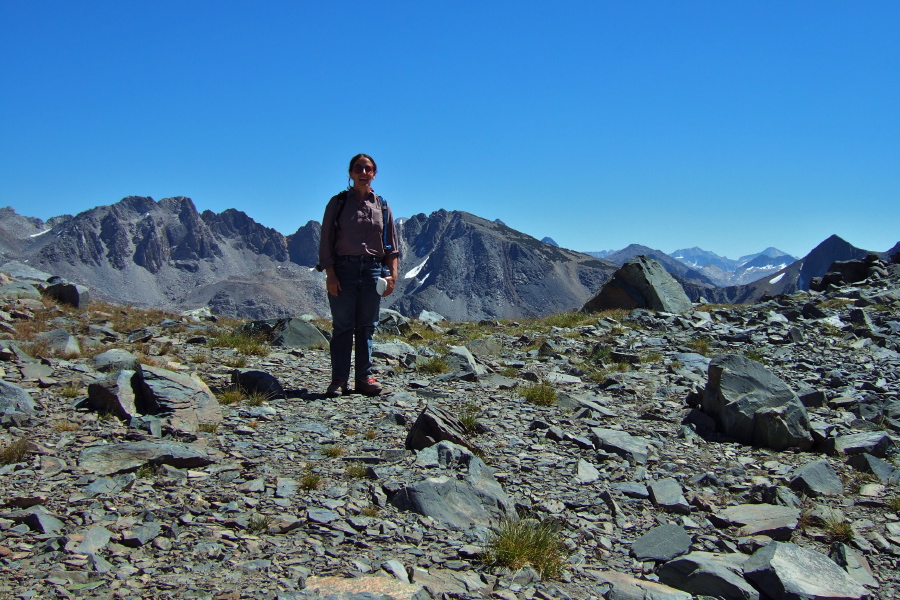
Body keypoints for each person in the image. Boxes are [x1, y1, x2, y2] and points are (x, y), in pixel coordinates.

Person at [317, 154, 399, 397]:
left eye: (369, 169)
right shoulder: (338, 203)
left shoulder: (382, 205)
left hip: (374, 270)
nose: (364, 172)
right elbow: (326, 242)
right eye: (359, 168)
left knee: (367, 326)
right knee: (343, 326)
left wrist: (392, 276)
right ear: (351, 174)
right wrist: (330, 274)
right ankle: (339, 379)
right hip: (343, 269)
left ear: (374, 173)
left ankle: (364, 377)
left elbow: (392, 246)